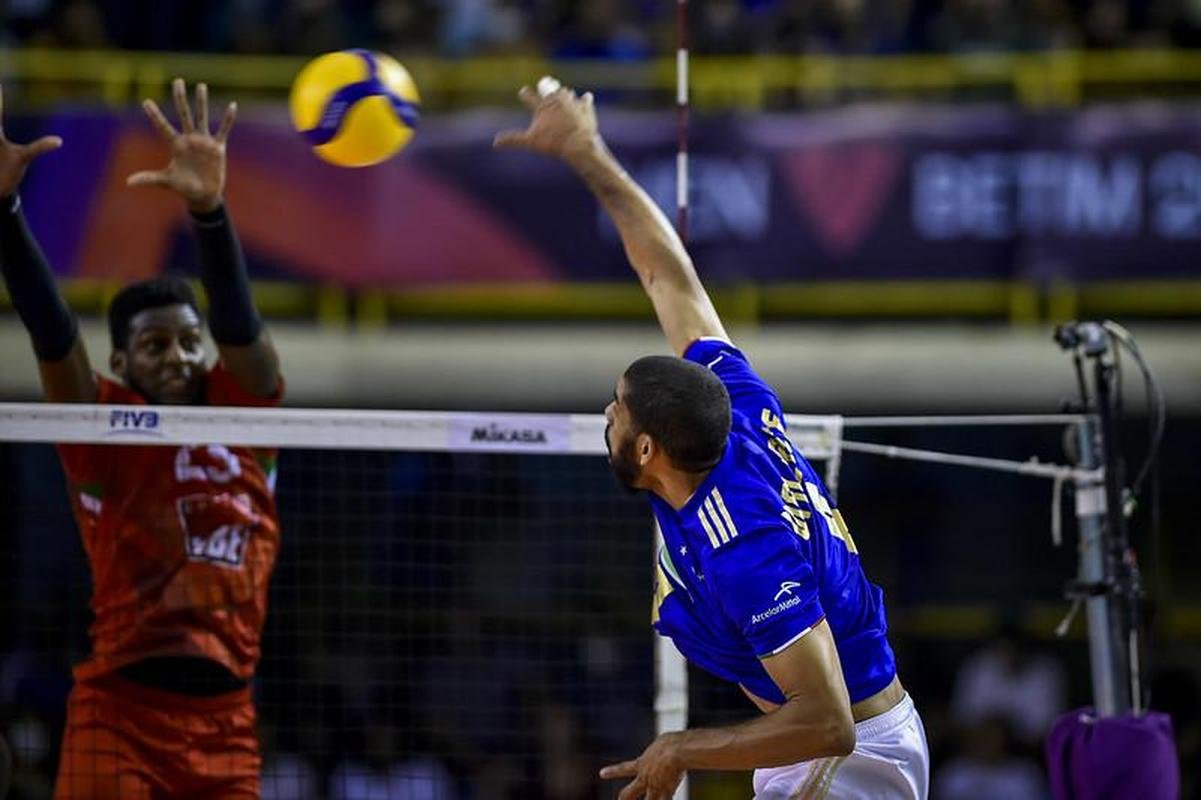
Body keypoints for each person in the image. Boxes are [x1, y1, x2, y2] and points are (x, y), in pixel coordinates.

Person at [495, 83, 929, 799]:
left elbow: (827, 723)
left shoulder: (743, 550)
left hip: (843, 758)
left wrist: (680, 749)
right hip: (817, 740)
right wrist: (586, 152)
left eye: (618, 411)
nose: (607, 412)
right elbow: (667, 277)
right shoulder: (734, 405)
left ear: (645, 452)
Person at [0, 78, 283, 798]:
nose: (177, 357)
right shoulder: (101, 432)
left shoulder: (246, 420)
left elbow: (243, 337)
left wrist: (209, 213)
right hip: (120, 717)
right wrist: (4, 212)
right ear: (122, 366)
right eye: (153, 346)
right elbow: (55, 336)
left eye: (187, 342)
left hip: (227, 724)